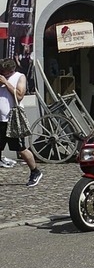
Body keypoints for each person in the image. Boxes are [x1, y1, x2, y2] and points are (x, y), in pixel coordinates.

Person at [0, 58, 43, 186]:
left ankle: (35, 171)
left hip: (12, 119)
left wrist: (6, 83)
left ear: (11, 71)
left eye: (5, 72)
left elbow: (19, 96)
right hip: (0, 119)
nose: (3, 73)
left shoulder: (20, 77)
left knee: (20, 149)